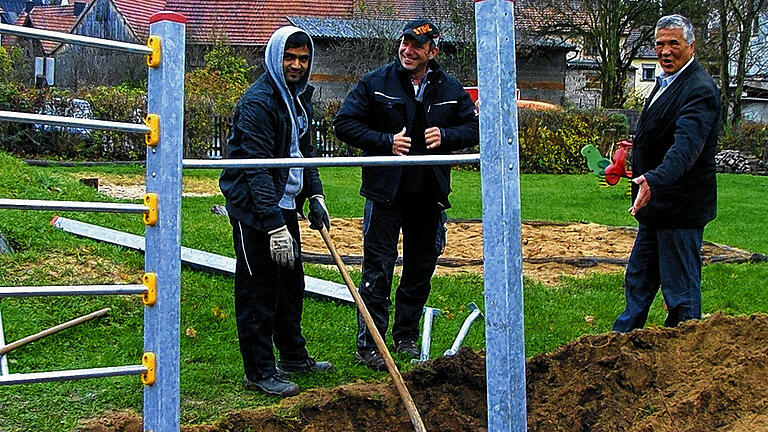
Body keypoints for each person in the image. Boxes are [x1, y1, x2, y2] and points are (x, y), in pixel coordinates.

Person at [333, 19, 479, 370]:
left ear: (433, 51)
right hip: (385, 193)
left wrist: (447, 136)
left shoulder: (448, 87)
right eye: (405, 43)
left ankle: (406, 337)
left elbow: (474, 127)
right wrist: (385, 142)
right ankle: (370, 343)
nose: (408, 50)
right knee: (377, 269)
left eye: (416, 46)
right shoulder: (376, 83)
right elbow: (344, 124)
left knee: (419, 270)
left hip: (428, 195)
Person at [219, 26, 333, 396]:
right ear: (274, 58)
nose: (297, 65)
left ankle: (293, 357)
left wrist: (314, 196)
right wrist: (272, 226)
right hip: (255, 210)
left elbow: (304, 154)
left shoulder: (298, 99)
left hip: (283, 205)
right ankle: (259, 371)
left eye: (303, 58)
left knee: (291, 286)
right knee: (258, 290)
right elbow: (254, 169)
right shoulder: (259, 103)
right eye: (290, 58)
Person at [613, 14, 721, 332]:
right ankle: (622, 345)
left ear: (691, 47)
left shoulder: (699, 90)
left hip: (679, 210)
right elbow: (663, 133)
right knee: (638, 281)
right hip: (655, 208)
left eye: (674, 43)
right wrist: (635, 152)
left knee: (681, 296)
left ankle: (685, 359)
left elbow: (686, 148)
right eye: (660, 44)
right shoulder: (667, 82)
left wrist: (654, 179)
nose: (665, 51)